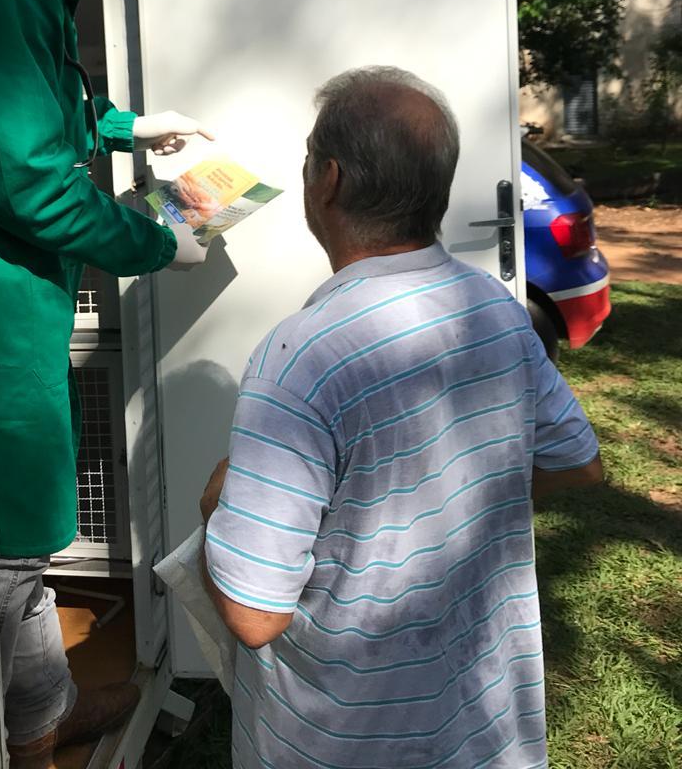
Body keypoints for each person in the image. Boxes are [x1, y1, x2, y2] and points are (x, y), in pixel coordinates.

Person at [199, 66, 603, 769]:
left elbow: (255, 616)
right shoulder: (495, 310)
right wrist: (443, 504)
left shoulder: (301, 356)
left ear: (327, 180)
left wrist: (218, 506)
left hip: (347, 742)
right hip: (486, 731)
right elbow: (578, 462)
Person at [0, 0, 210, 768]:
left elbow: (42, 95)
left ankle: (47, 704)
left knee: (28, 533)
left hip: (31, 286)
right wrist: (155, 241)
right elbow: (26, 178)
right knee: (18, 537)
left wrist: (125, 124)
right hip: (5, 290)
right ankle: (33, 735)